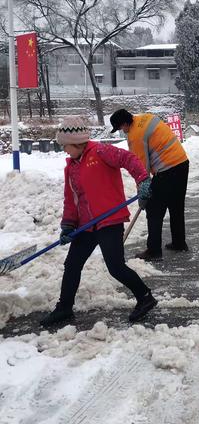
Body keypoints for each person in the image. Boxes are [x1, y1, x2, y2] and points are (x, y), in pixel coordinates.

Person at [40, 117, 157, 327]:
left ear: (76, 142)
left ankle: (145, 297)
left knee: (115, 267)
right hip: (86, 225)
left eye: (65, 146)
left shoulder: (101, 152)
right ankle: (64, 307)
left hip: (108, 221)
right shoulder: (71, 167)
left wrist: (143, 180)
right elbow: (71, 198)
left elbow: (129, 159)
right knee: (72, 264)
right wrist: (68, 224)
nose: (64, 151)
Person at [110, 109, 189, 261]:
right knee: (176, 206)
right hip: (182, 163)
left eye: (121, 128)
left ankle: (153, 251)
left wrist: (143, 193)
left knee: (153, 211)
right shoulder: (145, 118)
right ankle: (179, 243)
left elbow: (140, 168)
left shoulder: (135, 136)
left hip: (167, 170)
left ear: (125, 123)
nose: (122, 131)